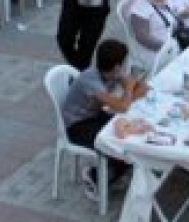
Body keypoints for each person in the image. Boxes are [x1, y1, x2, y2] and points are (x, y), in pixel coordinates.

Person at [59, 39, 146, 200]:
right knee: (117, 142)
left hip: (95, 115)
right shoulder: (92, 81)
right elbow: (123, 106)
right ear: (117, 66)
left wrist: (130, 92)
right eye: (124, 63)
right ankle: (93, 176)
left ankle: (116, 173)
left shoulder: (112, 72)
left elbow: (142, 88)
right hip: (77, 125)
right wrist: (128, 89)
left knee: (131, 133)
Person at [127, 0, 177, 70]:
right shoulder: (140, 7)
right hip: (150, 52)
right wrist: (166, 48)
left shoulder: (165, 1)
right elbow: (143, 38)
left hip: (168, 45)